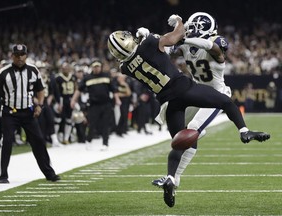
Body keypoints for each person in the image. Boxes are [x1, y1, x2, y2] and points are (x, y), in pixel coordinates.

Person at [107, 15, 270, 207]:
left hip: (169, 102)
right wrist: (175, 23)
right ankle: (244, 131)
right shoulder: (153, 42)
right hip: (188, 90)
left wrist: (151, 38)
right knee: (217, 109)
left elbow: (160, 53)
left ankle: (171, 177)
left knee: (179, 142)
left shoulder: (125, 68)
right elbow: (174, 38)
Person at [151, 12, 233, 190]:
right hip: (197, 93)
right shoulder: (187, 44)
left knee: (192, 130)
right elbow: (165, 46)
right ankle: (173, 179)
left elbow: (212, 46)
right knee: (180, 134)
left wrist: (183, 38)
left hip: (217, 96)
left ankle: (173, 177)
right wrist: (152, 37)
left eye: (191, 25)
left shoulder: (217, 42)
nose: (188, 28)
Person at [0, 44, 60, 183]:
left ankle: (49, 173)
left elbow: (40, 89)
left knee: (39, 142)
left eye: (22, 55)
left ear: (26, 55)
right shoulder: (4, 72)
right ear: (12, 56)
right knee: (7, 142)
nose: (19, 58)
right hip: (9, 112)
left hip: (28, 112)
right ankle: (3, 175)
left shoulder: (33, 70)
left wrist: (40, 105)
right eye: (16, 55)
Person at [70, 60, 121, 150]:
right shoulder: (88, 78)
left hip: (106, 103)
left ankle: (105, 143)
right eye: (95, 66)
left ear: (100, 67)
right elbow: (79, 89)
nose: (96, 68)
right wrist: (73, 100)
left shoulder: (106, 76)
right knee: (92, 123)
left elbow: (114, 89)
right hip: (94, 104)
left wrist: (117, 99)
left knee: (105, 124)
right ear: (92, 67)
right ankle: (89, 141)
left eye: (98, 66)